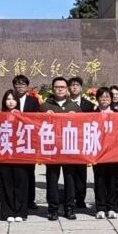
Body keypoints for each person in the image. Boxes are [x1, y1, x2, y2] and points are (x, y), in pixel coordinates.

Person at [41, 77, 82, 221]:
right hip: (52, 148)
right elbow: (37, 126)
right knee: (52, 179)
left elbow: (82, 128)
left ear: (67, 89)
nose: (60, 89)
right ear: (53, 89)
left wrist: (76, 119)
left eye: (62, 87)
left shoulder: (74, 107)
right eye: (57, 87)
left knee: (70, 179)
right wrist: (44, 117)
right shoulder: (45, 106)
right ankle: (52, 209)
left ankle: (69, 208)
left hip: (69, 148)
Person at [0, 90, 30, 222]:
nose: (10, 102)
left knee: (20, 183)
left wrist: (20, 117)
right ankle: (7, 212)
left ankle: (20, 212)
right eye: (8, 99)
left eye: (13, 99)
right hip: (4, 154)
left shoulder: (23, 116)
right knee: (6, 183)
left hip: (20, 155)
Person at [91, 88, 118, 219]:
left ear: (111, 99)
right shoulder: (91, 114)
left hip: (113, 153)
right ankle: (100, 208)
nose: (104, 99)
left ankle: (111, 207)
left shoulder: (117, 114)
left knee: (112, 181)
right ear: (97, 99)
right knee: (99, 181)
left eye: (107, 97)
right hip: (97, 152)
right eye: (102, 97)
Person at [13, 75, 40, 211]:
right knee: (17, 171)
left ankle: (30, 200)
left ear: (27, 87)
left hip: (29, 139)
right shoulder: (11, 99)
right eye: (17, 84)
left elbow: (37, 118)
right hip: (14, 140)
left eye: (23, 84)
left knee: (30, 171)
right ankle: (18, 198)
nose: (20, 87)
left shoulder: (33, 101)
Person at [68, 77, 95, 210]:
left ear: (81, 88)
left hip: (82, 141)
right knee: (69, 172)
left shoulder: (88, 105)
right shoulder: (64, 104)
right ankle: (70, 198)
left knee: (81, 172)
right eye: (72, 85)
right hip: (68, 141)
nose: (74, 87)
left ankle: (80, 198)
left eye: (77, 85)